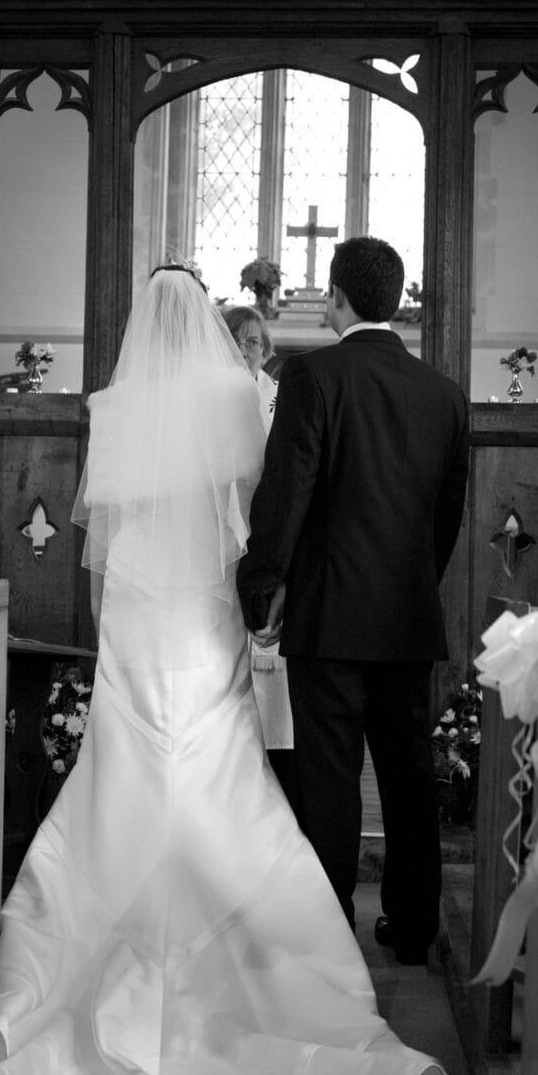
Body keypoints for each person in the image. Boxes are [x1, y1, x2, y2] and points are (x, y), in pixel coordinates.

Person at [0, 262, 456, 1075]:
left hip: (143, 595)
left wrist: (116, 629)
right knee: (242, 756)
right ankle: (323, 940)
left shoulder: (117, 404)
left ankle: (111, 919)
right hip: (217, 594)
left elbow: (101, 542)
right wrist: (257, 590)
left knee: (134, 746)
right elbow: (265, 502)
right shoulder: (249, 391)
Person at [237, 235, 469, 965]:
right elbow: (447, 514)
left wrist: (262, 584)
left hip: (329, 613)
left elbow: (288, 488)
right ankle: (411, 926)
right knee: (406, 778)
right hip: (405, 617)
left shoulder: (315, 376)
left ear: (335, 297)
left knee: (330, 776)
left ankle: (329, 925)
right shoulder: (443, 393)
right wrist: (411, 587)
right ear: (396, 300)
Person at [222, 304, 296, 802]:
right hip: (224, 542)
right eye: (240, 340)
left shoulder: (281, 399)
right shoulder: (213, 402)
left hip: (269, 544)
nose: (250, 350)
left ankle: (278, 783)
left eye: (257, 342)